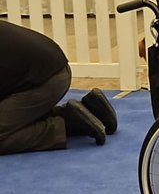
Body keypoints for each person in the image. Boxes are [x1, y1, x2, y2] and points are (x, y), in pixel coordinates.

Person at [0, 20, 118, 154]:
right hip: (53, 69)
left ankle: (67, 124)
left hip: (44, 81)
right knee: (10, 119)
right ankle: (91, 110)